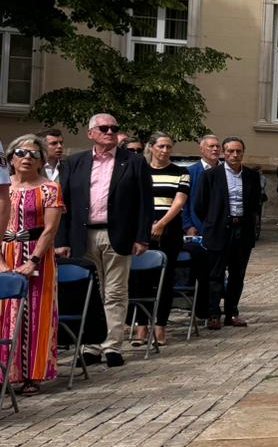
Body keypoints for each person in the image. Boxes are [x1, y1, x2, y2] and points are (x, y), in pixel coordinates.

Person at [56, 111, 152, 368]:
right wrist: (61, 240)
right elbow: (62, 204)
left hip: (117, 235)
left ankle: (111, 346)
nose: (110, 132)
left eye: (114, 128)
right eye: (104, 128)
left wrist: (142, 237)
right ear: (91, 134)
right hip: (82, 235)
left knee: (115, 292)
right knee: (89, 292)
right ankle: (90, 346)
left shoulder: (133, 162)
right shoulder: (74, 162)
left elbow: (145, 203)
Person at [1, 135, 63, 389]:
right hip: (5, 251)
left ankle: (32, 375)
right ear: (11, 158)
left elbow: (50, 229)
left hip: (37, 257)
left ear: (41, 161)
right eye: (21, 153)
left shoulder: (50, 188)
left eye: (34, 154)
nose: (27, 158)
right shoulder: (4, 189)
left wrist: (33, 261)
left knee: (36, 312)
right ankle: (6, 372)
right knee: (5, 313)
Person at [200, 137, 263, 328]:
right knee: (215, 275)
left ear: (243, 152)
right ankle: (213, 314)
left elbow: (255, 203)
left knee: (238, 274)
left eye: (238, 151)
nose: (234, 155)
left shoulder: (251, 176)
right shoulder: (211, 175)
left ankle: (232, 312)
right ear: (223, 153)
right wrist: (212, 223)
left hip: (242, 231)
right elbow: (200, 204)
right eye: (230, 151)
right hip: (219, 230)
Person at [143, 132, 190, 347]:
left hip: (169, 230)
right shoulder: (141, 171)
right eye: (161, 146)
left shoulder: (181, 172)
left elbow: (179, 202)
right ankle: (142, 325)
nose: (165, 151)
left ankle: (160, 324)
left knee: (165, 278)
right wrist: (147, 225)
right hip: (143, 230)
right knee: (142, 278)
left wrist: (161, 224)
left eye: (168, 147)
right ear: (151, 147)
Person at [181, 134, 223, 327]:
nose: (215, 150)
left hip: (219, 230)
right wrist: (189, 226)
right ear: (202, 149)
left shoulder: (225, 171)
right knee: (201, 271)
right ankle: (201, 307)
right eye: (211, 146)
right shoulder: (191, 172)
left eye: (217, 147)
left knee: (218, 272)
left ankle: (213, 307)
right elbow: (184, 203)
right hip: (197, 230)